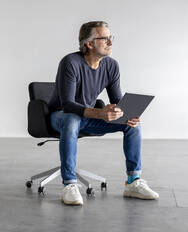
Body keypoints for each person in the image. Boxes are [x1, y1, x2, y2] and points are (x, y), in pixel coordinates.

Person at [48, 21, 159, 205]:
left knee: (132, 124)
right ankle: (69, 184)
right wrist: (100, 113)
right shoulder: (70, 62)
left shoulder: (111, 66)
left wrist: (127, 113)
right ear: (89, 44)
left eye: (110, 37)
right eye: (104, 38)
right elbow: (67, 105)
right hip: (59, 116)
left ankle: (133, 181)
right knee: (72, 119)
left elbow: (117, 99)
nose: (110, 43)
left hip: (87, 118)